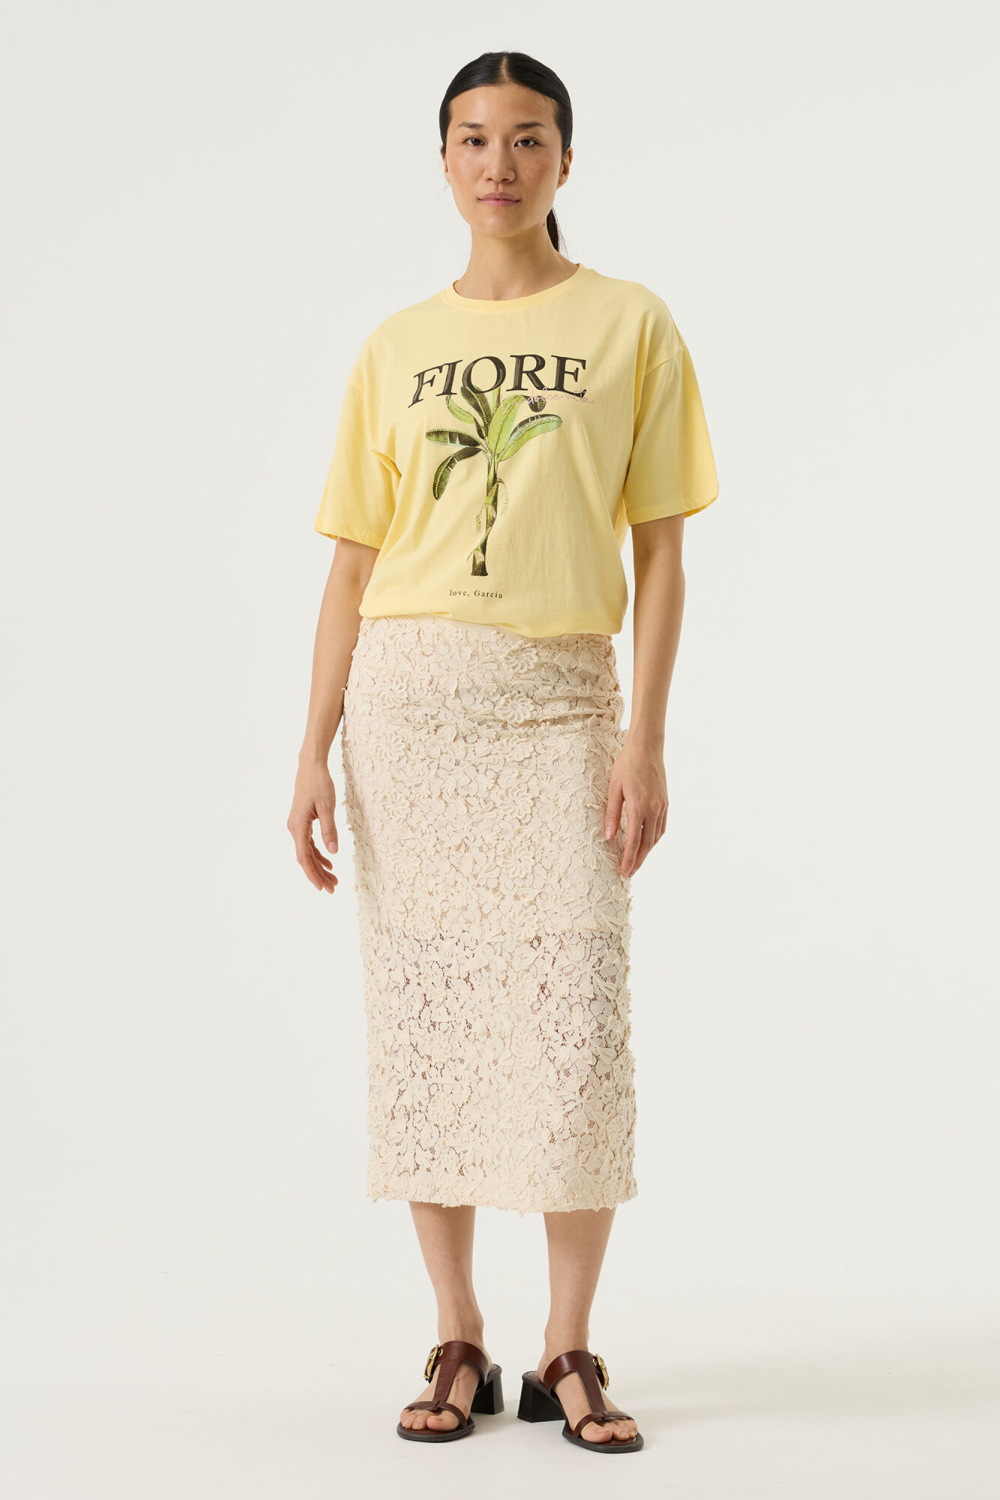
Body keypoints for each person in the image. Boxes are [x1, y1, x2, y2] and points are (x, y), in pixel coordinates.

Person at [287, 50, 719, 1454]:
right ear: (443, 161)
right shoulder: (396, 345)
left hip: (558, 703)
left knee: (573, 1024)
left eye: (528, 139)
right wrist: (310, 752)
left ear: (566, 161)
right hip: (407, 710)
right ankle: (458, 1332)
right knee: (431, 1022)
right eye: (473, 139)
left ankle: (569, 1346)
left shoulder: (631, 322)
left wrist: (644, 735)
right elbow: (352, 567)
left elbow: (660, 552)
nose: (499, 164)